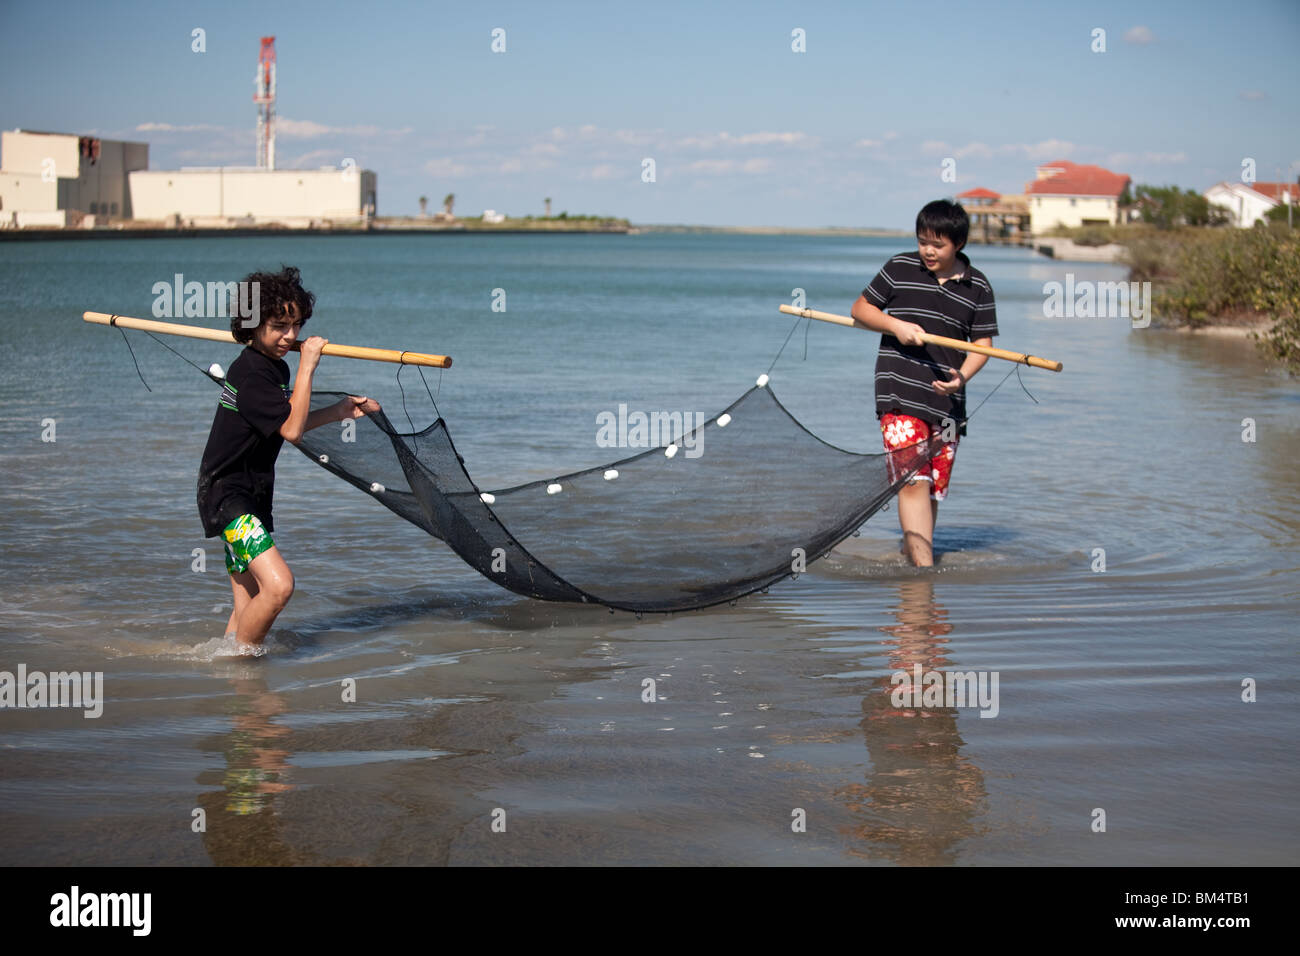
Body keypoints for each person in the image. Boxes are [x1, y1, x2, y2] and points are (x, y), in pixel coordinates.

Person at [197, 266, 380, 648]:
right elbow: (293, 432)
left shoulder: (271, 368)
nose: (291, 337)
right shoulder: (252, 374)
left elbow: (285, 422)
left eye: (296, 326)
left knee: (246, 602)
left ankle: (235, 685)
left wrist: (338, 411)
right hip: (229, 498)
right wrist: (308, 364)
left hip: (251, 494)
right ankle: (242, 665)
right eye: (280, 325)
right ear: (252, 322)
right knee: (280, 586)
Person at [850, 200, 998, 567]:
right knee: (913, 482)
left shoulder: (978, 285)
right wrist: (895, 325)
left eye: (938, 244)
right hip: (898, 391)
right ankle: (923, 576)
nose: (928, 251)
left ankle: (911, 555)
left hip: (947, 402)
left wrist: (962, 376)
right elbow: (861, 309)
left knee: (933, 489)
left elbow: (982, 346)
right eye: (922, 241)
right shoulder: (900, 267)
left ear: (958, 243)